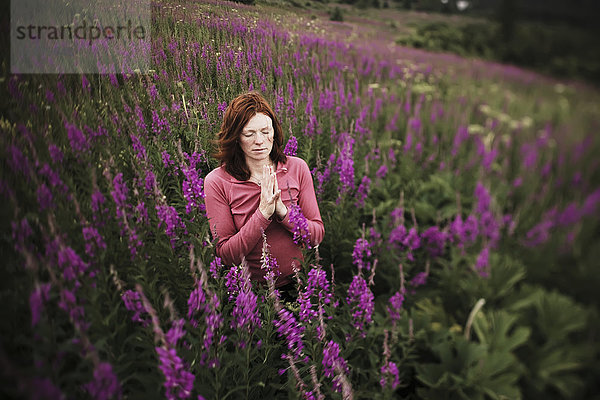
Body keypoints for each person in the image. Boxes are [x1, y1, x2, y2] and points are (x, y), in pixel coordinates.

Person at [203, 91, 324, 291]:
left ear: (274, 131)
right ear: (235, 138)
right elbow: (226, 255)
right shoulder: (217, 182)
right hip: (252, 293)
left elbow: (317, 235)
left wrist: (283, 212)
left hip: (301, 285)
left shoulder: (297, 168)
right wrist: (263, 213)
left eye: (266, 131)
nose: (259, 140)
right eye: (249, 134)